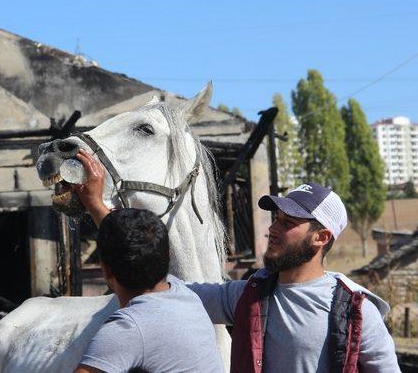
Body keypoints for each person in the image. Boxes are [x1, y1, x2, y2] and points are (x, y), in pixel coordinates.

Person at [73, 151, 400, 373]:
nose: (273, 228)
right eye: (276, 218)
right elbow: (148, 268)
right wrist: (96, 206)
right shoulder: (249, 296)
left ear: (321, 238)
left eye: (288, 223)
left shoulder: (353, 310)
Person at [75, 207, 224, 373]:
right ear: (168, 256)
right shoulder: (186, 294)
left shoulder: (127, 328)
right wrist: (94, 204)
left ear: (106, 270)